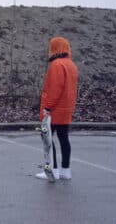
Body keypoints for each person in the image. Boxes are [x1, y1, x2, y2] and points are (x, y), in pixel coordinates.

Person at [35, 37, 79, 180]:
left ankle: (52, 170)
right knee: (63, 138)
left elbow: (55, 89)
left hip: (54, 110)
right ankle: (65, 170)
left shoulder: (56, 65)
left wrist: (48, 107)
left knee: (48, 139)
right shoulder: (71, 65)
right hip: (66, 108)